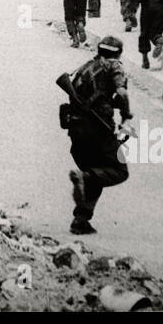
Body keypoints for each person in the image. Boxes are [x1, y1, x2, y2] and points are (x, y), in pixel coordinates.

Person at [62, 36, 132, 234]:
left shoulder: (84, 67)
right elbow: (122, 93)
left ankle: (80, 220)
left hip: (76, 130)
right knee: (119, 171)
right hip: (99, 130)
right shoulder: (114, 66)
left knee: (96, 174)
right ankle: (84, 178)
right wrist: (126, 116)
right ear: (118, 53)